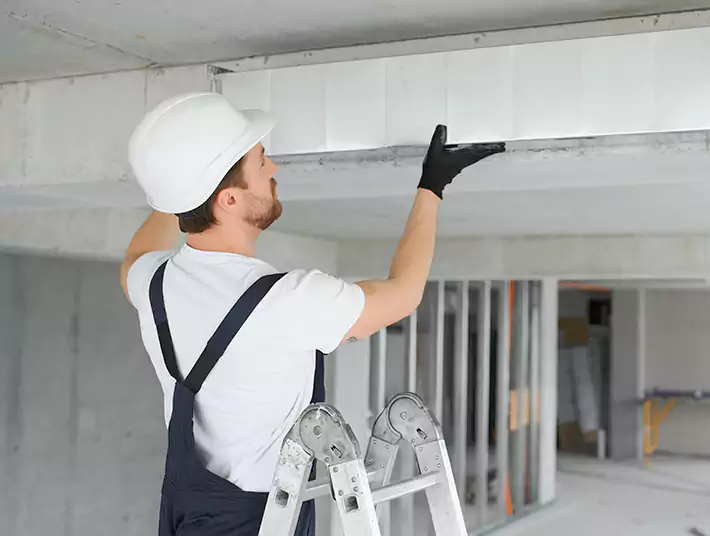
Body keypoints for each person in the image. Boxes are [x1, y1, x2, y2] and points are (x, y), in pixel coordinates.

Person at [119, 92, 504, 536]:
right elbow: (403, 295)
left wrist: (178, 186)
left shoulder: (153, 284)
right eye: (261, 162)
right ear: (227, 200)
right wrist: (433, 185)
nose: (274, 170)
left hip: (187, 510)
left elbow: (135, 256)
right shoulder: (289, 300)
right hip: (257, 522)